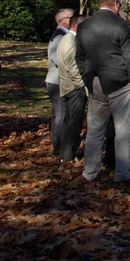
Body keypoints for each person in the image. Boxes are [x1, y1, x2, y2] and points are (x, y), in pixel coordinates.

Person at [75, 0, 130, 182]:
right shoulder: (122, 24)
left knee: (94, 130)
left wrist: (88, 78)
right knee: (123, 130)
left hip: (95, 81)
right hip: (120, 83)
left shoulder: (84, 26)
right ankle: (122, 174)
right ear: (116, 3)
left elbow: (79, 57)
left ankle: (90, 172)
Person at [56, 15, 87, 162]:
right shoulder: (70, 41)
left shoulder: (68, 39)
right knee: (73, 124)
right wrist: (81, 85)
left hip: (68, 87)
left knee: (70, 122)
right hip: (73, 88)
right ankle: (68, 154)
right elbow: (72, 67)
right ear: (77, 26)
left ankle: (65, 153)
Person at [45, 9, 74, 155]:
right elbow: (55, 57)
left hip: (59, 80)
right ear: (62, 20)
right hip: (57, 81)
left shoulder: (63, 35)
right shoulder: (59, 36)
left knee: (61, 113)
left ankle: (60, 142)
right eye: (71, 17)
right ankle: (57, 145)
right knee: (60, 114)